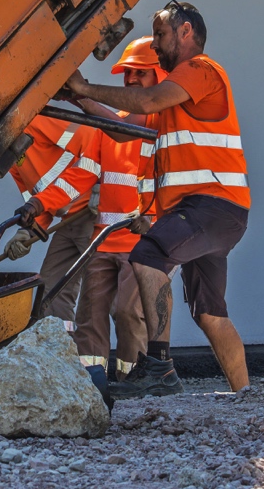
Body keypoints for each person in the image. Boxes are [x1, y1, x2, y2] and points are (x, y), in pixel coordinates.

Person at [64, 0, 251, 398]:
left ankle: (160, 366)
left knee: (147, 256)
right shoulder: (176, 95)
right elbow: (121, 130)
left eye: (161, 34)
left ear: (186, 32)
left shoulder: (200, 70)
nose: (156, 45)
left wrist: (85, 86)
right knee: (210, 314)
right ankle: (244, 394)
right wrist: (80, 99)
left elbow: (146, 102)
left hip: (210, 205)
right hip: (212, 211)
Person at [16, 37, 166, 386]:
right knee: (90, 315)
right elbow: (80, 176)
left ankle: (134, 380)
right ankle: (91, 380)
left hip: (140, 243)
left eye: (139, 75)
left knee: (128, 312)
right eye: (127, 75)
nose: (130, 81)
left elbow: (163, 182)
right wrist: (38, 206)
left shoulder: (161, 128)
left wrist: (82, 95)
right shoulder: (112, 128)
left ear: (159, 76)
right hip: (105, 239)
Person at [4, 115, 97, 325]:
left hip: (93, 214)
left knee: (105, 285)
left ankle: (139, 352)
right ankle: (59, 348)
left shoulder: (34, 124)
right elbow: (38, 204)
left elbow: (91, 138)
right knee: (51, 290)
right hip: (69, 220)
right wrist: (27, 233)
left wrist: (105, 184)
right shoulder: (11, 161)